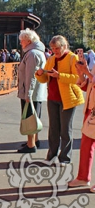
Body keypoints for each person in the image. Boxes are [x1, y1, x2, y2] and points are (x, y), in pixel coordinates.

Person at [36, 35, 84, 165]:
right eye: (52, 48)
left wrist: (59, 75)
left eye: (57, 48)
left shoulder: (72, 58)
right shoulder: (51, 59)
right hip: (52, 98)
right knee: (53, 129)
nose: (54, 51)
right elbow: (45, 79)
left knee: (65, 130)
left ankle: (65, 158)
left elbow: (77, 78)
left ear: (64, 46)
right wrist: (40, 74)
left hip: (68, 98)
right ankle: (51, 156)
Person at [17, 28, 47, 153]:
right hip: (36, 92)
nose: (20, 43)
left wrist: (28, 93)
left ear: (28, 41)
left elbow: (31, 76)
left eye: (22, 41)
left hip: (31, 93)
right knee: (35, 117)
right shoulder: (36, 52)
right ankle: (35, 140)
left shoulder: (32, 54)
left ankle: (31, 145)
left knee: (30, 118)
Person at [68, 59, 95, 190]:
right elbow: (88, 85)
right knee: (86, 144)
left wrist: (87, 73)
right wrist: (81, 74)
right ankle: (83, 177)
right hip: (91, 109)